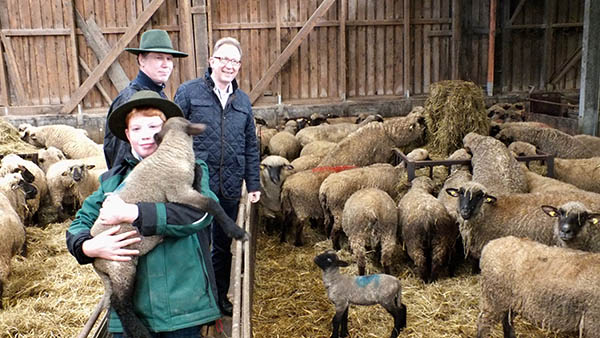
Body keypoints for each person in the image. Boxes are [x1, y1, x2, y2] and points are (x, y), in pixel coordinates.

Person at [66, 90, 221, 337]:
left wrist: (135, 212)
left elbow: (199, 214)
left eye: (154, 126)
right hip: (130, 312)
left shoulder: (190, 168)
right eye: (136, 129)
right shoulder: (112, 181)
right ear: (127, 135)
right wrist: (89, 247)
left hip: (181, 307)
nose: (146, 135)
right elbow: (81, 221)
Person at [174, 37, 261, 317]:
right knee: (196, 244)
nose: (229, 65)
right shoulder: (188, 93)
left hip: (230, 185)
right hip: (197, 185)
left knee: (223, 246)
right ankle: (194, 301)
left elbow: (250, 144)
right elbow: (175, 137)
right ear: (212, 61)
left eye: (235, 61)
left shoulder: (243, 100)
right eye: (223, 59)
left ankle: (219, 297)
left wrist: (254, 183)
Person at [103, 29, 188, 170]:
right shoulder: (130, 101)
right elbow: (121, 159)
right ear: (141, 60)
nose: (165, 65)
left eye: (169, 59)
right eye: (158, 58)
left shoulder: (159, 95)